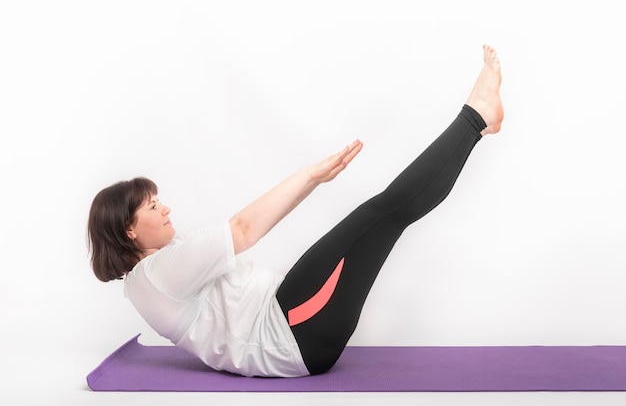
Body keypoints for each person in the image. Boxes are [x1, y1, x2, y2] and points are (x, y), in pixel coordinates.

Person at [87, 45, 504, 377]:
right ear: (128, 230)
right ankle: (475, 117)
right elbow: (243, 228)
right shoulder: (157, 274)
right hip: (293, 332)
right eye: (153, 206)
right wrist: (309, 175)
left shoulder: (156, 272)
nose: (166, 209)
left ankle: (479, 124)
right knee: (385, 212)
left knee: (383, 215)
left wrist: (312, 181)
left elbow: (239, 232)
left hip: (291, 320)